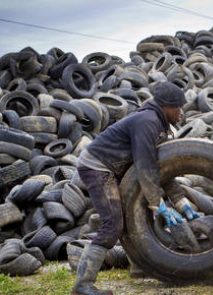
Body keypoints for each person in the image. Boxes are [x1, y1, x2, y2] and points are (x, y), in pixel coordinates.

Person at [71, 81, 199, 295]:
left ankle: (140, 267)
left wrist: (179, 200)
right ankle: (82, 285)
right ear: (166, 106)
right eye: (177, 107)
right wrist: (158, 204)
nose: (180, 112)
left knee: (134, 215)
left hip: (115, 168)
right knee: (113, 223)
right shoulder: (147, 122)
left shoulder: (159, 124)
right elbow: (146, 167)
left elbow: (161, 170)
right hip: (98, 167)